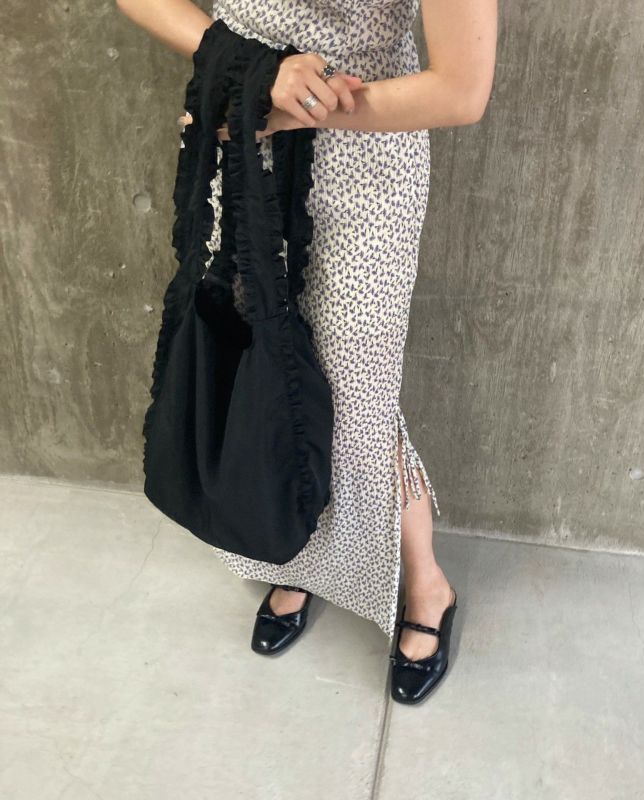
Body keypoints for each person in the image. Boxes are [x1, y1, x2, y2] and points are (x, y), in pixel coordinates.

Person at [116, 0, 496, 704]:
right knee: (263, 373)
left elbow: (461, 90)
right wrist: (256, 74)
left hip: (365, 161)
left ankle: (427, 583)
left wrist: (294, 107)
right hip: (239, 137)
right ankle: (297, 557)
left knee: (355, 400)